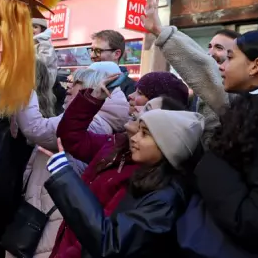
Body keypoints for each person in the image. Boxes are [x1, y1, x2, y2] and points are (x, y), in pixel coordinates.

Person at [51, 71, 190, 257]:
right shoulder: (118, 143)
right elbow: (71, 137)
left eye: (142, 95)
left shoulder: (148, 174)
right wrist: (92, 99)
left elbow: (105, 237)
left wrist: (63, 175)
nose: (131, 96)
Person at [9, 61, 129, 258]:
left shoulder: (95, 121)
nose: (69, 87)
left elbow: (35, 128)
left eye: (76, 82)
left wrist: (23, 85)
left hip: (52, 211)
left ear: (91, 86)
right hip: (46, 204)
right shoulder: (90, 117)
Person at [193, 31, 258, 254]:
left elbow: (254, 220)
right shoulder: (248, 108)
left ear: (255, 66)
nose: (221, 66)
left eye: (230, 58)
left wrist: (206, 163)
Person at [143, 0, 240, 140]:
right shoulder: (197, 94)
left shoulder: (237, 92)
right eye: (209, 47)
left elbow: (203, 66)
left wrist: (160, 32)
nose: (210, 53)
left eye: (219, 48)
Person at [90, 29, 136, 96]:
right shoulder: (84, 82)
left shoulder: (130, 87)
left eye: (98, 50)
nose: (92, 55)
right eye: (91, 50)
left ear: (116, 54)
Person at [33, 17, 58, 85]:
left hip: (43, 81)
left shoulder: (44, 42)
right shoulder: (31, 42)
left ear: (42, 29)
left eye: (35, 27)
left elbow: (44, 60)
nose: (31, 29)